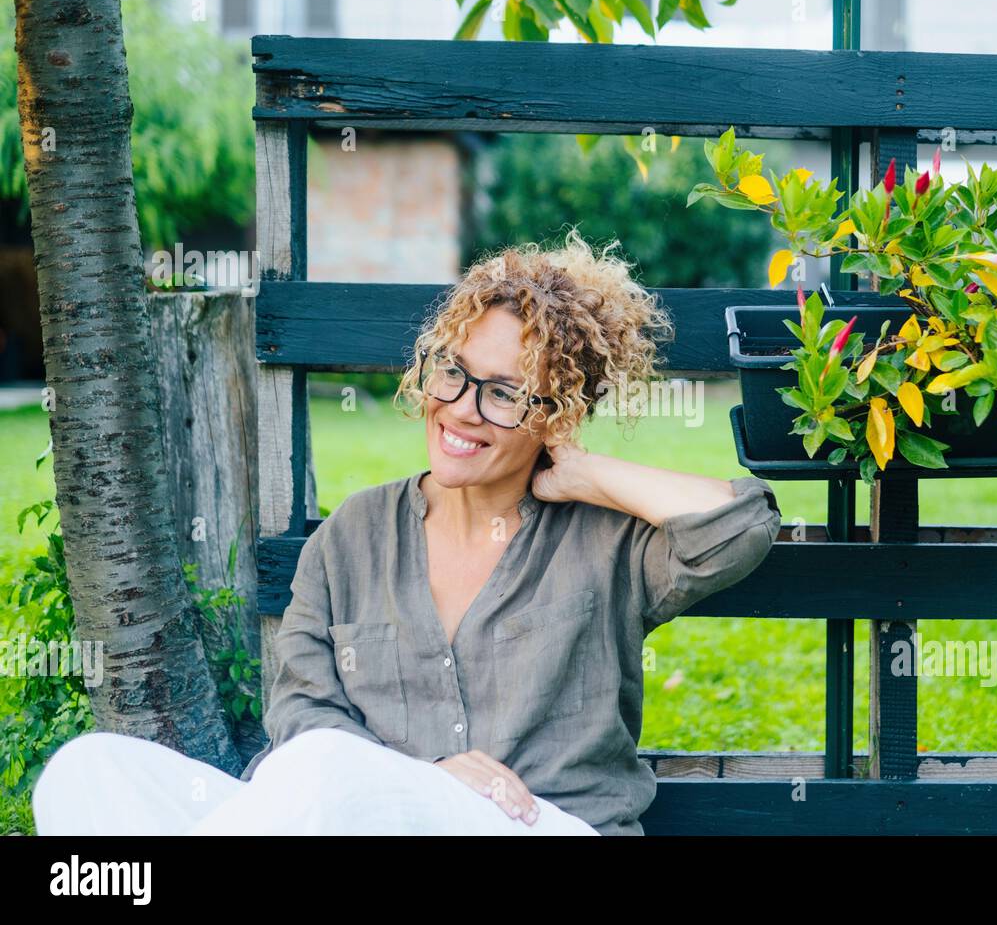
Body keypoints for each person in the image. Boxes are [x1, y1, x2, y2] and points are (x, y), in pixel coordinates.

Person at [32, 226, 783, 835]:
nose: (459, 408)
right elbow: (302, 716)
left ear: (559, 415)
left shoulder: (609, 542)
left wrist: (583, 475)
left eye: (504, 395)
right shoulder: (353, 536)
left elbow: (740, 525)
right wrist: (422, 777)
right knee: (92, 769)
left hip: (540, 826)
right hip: (357, 814)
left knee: (330, 773)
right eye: (451, 373)